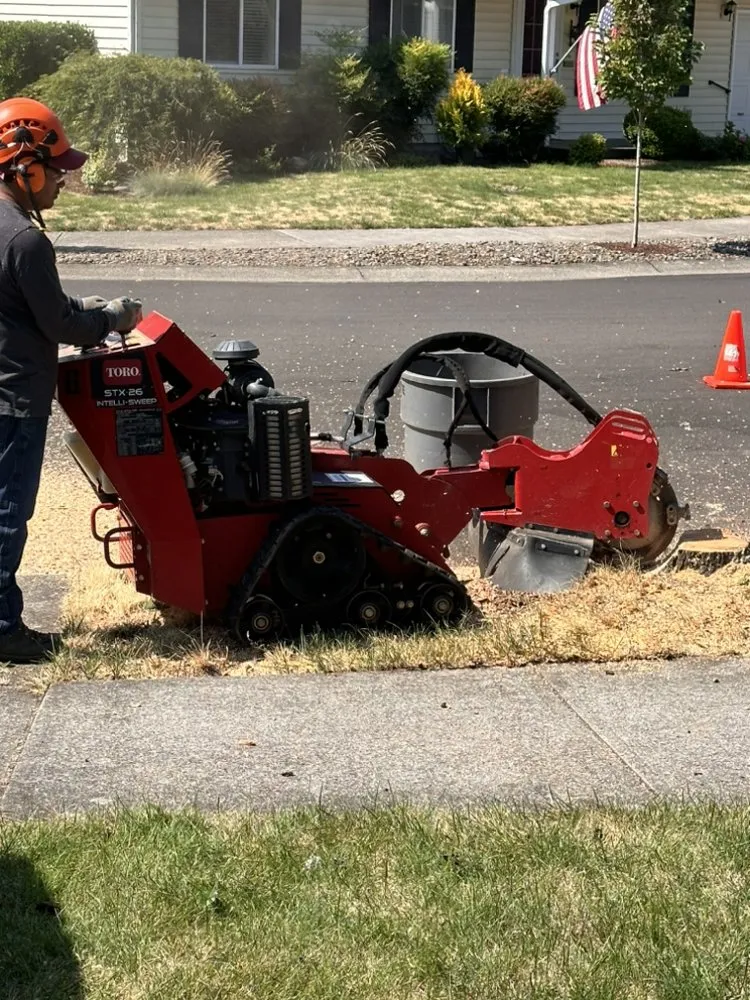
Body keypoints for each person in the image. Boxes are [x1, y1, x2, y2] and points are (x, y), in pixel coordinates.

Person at [0, 97, 142, 665]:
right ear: (24, 169)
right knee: (8, 511)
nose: (63, 181)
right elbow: (58, 325)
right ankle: (3, 629)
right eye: (56, 170)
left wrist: (83, 304)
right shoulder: (26, 240)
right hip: (14, 400)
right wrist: (113, 319)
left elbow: (24, 304)